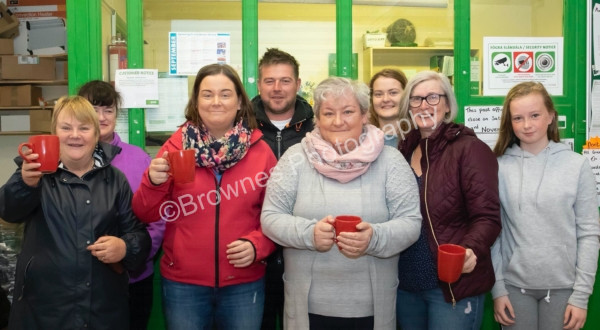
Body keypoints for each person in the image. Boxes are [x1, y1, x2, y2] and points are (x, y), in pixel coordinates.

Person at [261, 77, 422, 329]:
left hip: (371, 306)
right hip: (308, 306)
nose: (338, 121)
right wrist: (309, 234)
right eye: (328, 113)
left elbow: (411, 222)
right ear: (317, 119)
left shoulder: (391, 161)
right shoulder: (295, 159)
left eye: (348, 111)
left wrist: (374, 238)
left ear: (365, 115)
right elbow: (270, 218)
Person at [132, 63, 277, 330]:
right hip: (183, 284)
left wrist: (259, 245)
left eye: (225, 94)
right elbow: (145, 213)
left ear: (239, 102)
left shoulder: (261, 152)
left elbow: (277, 214)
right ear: (196, 101)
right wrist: (153, 182)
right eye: (207, 94)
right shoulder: (174, 147)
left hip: (243, 282)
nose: (216, 102)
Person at [0, 96, 151, 329]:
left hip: (102, 307)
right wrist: (24, 184)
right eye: (66, 127)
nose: (75, 135)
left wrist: (124, 247)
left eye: (84, 128)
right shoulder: (33, 172)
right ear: (54, 133)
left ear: (95, 134)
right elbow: (8, 212)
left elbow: (138, 235)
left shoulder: (115, 179)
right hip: (43, 307)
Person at [395, 71, 501, 330]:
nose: (424, 105)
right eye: (416, 99)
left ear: (447, 105)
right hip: (406, 283)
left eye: (433, 97)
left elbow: (487, 216)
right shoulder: (402, 150)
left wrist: (470, 249)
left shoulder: (469, 149)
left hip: (451, 284)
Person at [491, 82, 600, 330]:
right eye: (518, 118)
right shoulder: (498, 167)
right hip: (513, 288)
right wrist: (498, 289)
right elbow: (494, 234)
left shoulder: (576, 165)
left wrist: (581, 295)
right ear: (510, 122)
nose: (527, 125)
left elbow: (589, 234)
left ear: (551, 116)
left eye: (535, 115)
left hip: (565, 288)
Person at [78, 80, 164, 330]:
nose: (102, 117)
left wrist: (133, 254)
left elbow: (157, 216)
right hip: (82, 280)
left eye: (109, 110)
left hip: (133, 278)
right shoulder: (67, 157)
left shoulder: (137, 157)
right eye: (94, 109)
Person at [252, 47, 315, 330]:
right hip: (253, 256)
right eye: (269, 81)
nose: (277, 89)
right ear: (258, 84)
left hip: (305, 253)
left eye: (285, 81)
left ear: (298, 84)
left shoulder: (318, 128)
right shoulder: (240, 127)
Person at [368, 68, 408, 147]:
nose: (385, 99)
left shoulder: (417, 139)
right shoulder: (362, 138)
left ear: (406, 95)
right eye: (378, 94)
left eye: (393, 93)